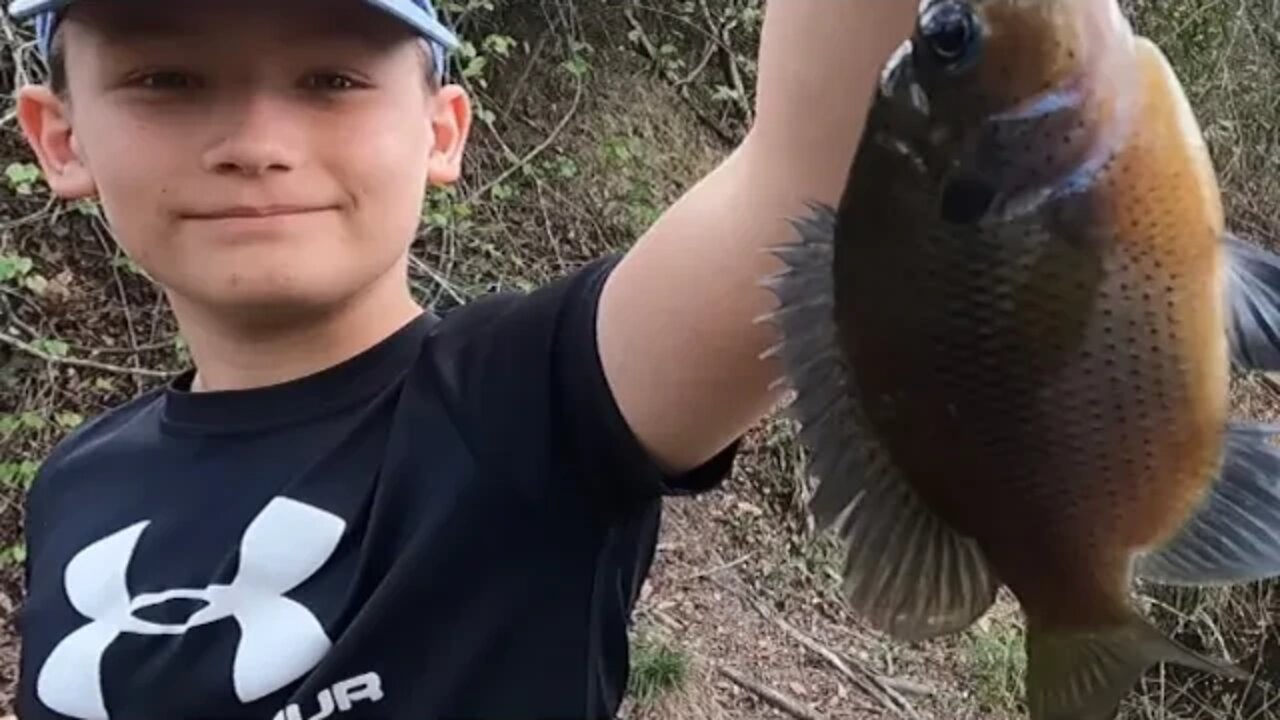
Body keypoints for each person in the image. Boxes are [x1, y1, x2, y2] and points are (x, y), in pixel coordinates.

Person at [5, 0, 918, 717]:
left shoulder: (527, 406)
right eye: (167, 79)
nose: (256, 145)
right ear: (61, 136)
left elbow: (825, 179)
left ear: (442, 130)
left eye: (330, 78)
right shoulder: (76, 483)